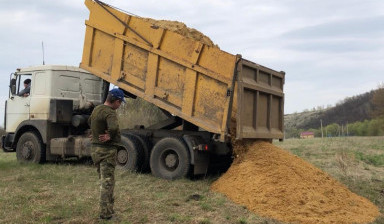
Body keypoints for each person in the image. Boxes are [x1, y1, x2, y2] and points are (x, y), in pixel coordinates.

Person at [88, 88, 125, 220]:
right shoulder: (110, 113)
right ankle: (105, 215)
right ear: (116, 101)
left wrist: (94, 134)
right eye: (120, 103)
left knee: (104, 180)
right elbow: (114, 127)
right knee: (107, 183)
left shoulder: (97, 109)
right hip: (106, 151)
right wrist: (110, 135)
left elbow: (89, 122)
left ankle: (109, 210)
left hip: (96, 150)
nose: (119, 106)